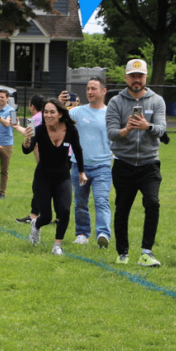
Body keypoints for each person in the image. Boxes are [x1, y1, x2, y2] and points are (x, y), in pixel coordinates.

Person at [106, 59, 167, 267]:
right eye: (132, 76)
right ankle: (122, 253)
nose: (136, 80)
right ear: (126, 77)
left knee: (153, 203)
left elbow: (161, 130)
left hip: (150, 163)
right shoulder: (115, 102)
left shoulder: (157, 101)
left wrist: (146, 126)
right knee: (122, 208)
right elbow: (112, 133)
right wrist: (128, 130)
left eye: (140, 76)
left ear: (146, 77)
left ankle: (146, 253)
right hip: (124, 163)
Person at [22, 99, 85, 255]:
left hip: (63, 177)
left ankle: (57, 245)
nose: (48, 115)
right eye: (45, 112)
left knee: (64, 210)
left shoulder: (70, 130)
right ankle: (36, 225)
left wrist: (82, 172)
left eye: (52, 112)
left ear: (60, 114)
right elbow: (27, 150)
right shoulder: (40, 129)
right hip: (42, 178)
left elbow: (77, 150)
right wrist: (27, 139)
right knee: (46, 216)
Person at [68, 77, 113, 248]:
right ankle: (82, 234)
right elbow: (57, 119)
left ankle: (103, 234)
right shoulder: (76, 112)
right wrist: (59, 103)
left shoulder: (110, 114)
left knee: (101, 201)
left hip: (102, 166)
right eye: (88, 88)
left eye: (94, 88)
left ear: (103, 91)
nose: (90, 92)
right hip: (79, 166)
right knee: (80, 202)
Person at [15, 95, 46, 224]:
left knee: (38, 186)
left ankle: (33, 216)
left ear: (32, 106)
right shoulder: (48, 116)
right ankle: (58, 217)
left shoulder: (33, 119)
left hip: (44, 160)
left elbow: (31, 136)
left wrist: (16, 126)